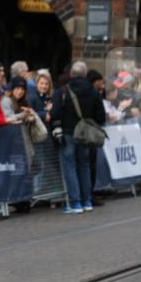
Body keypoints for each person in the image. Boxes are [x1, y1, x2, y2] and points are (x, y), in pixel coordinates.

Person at [50, 61, 106, 214]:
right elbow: (101, 116)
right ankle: (87, 200)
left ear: (71, 74)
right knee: (85, 166)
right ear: (86, 75)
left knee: (70, 167)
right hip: (86, 135)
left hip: (68, 133)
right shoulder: (94, 92)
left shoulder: (62, 91)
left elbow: (54, 114)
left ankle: (75, 203)